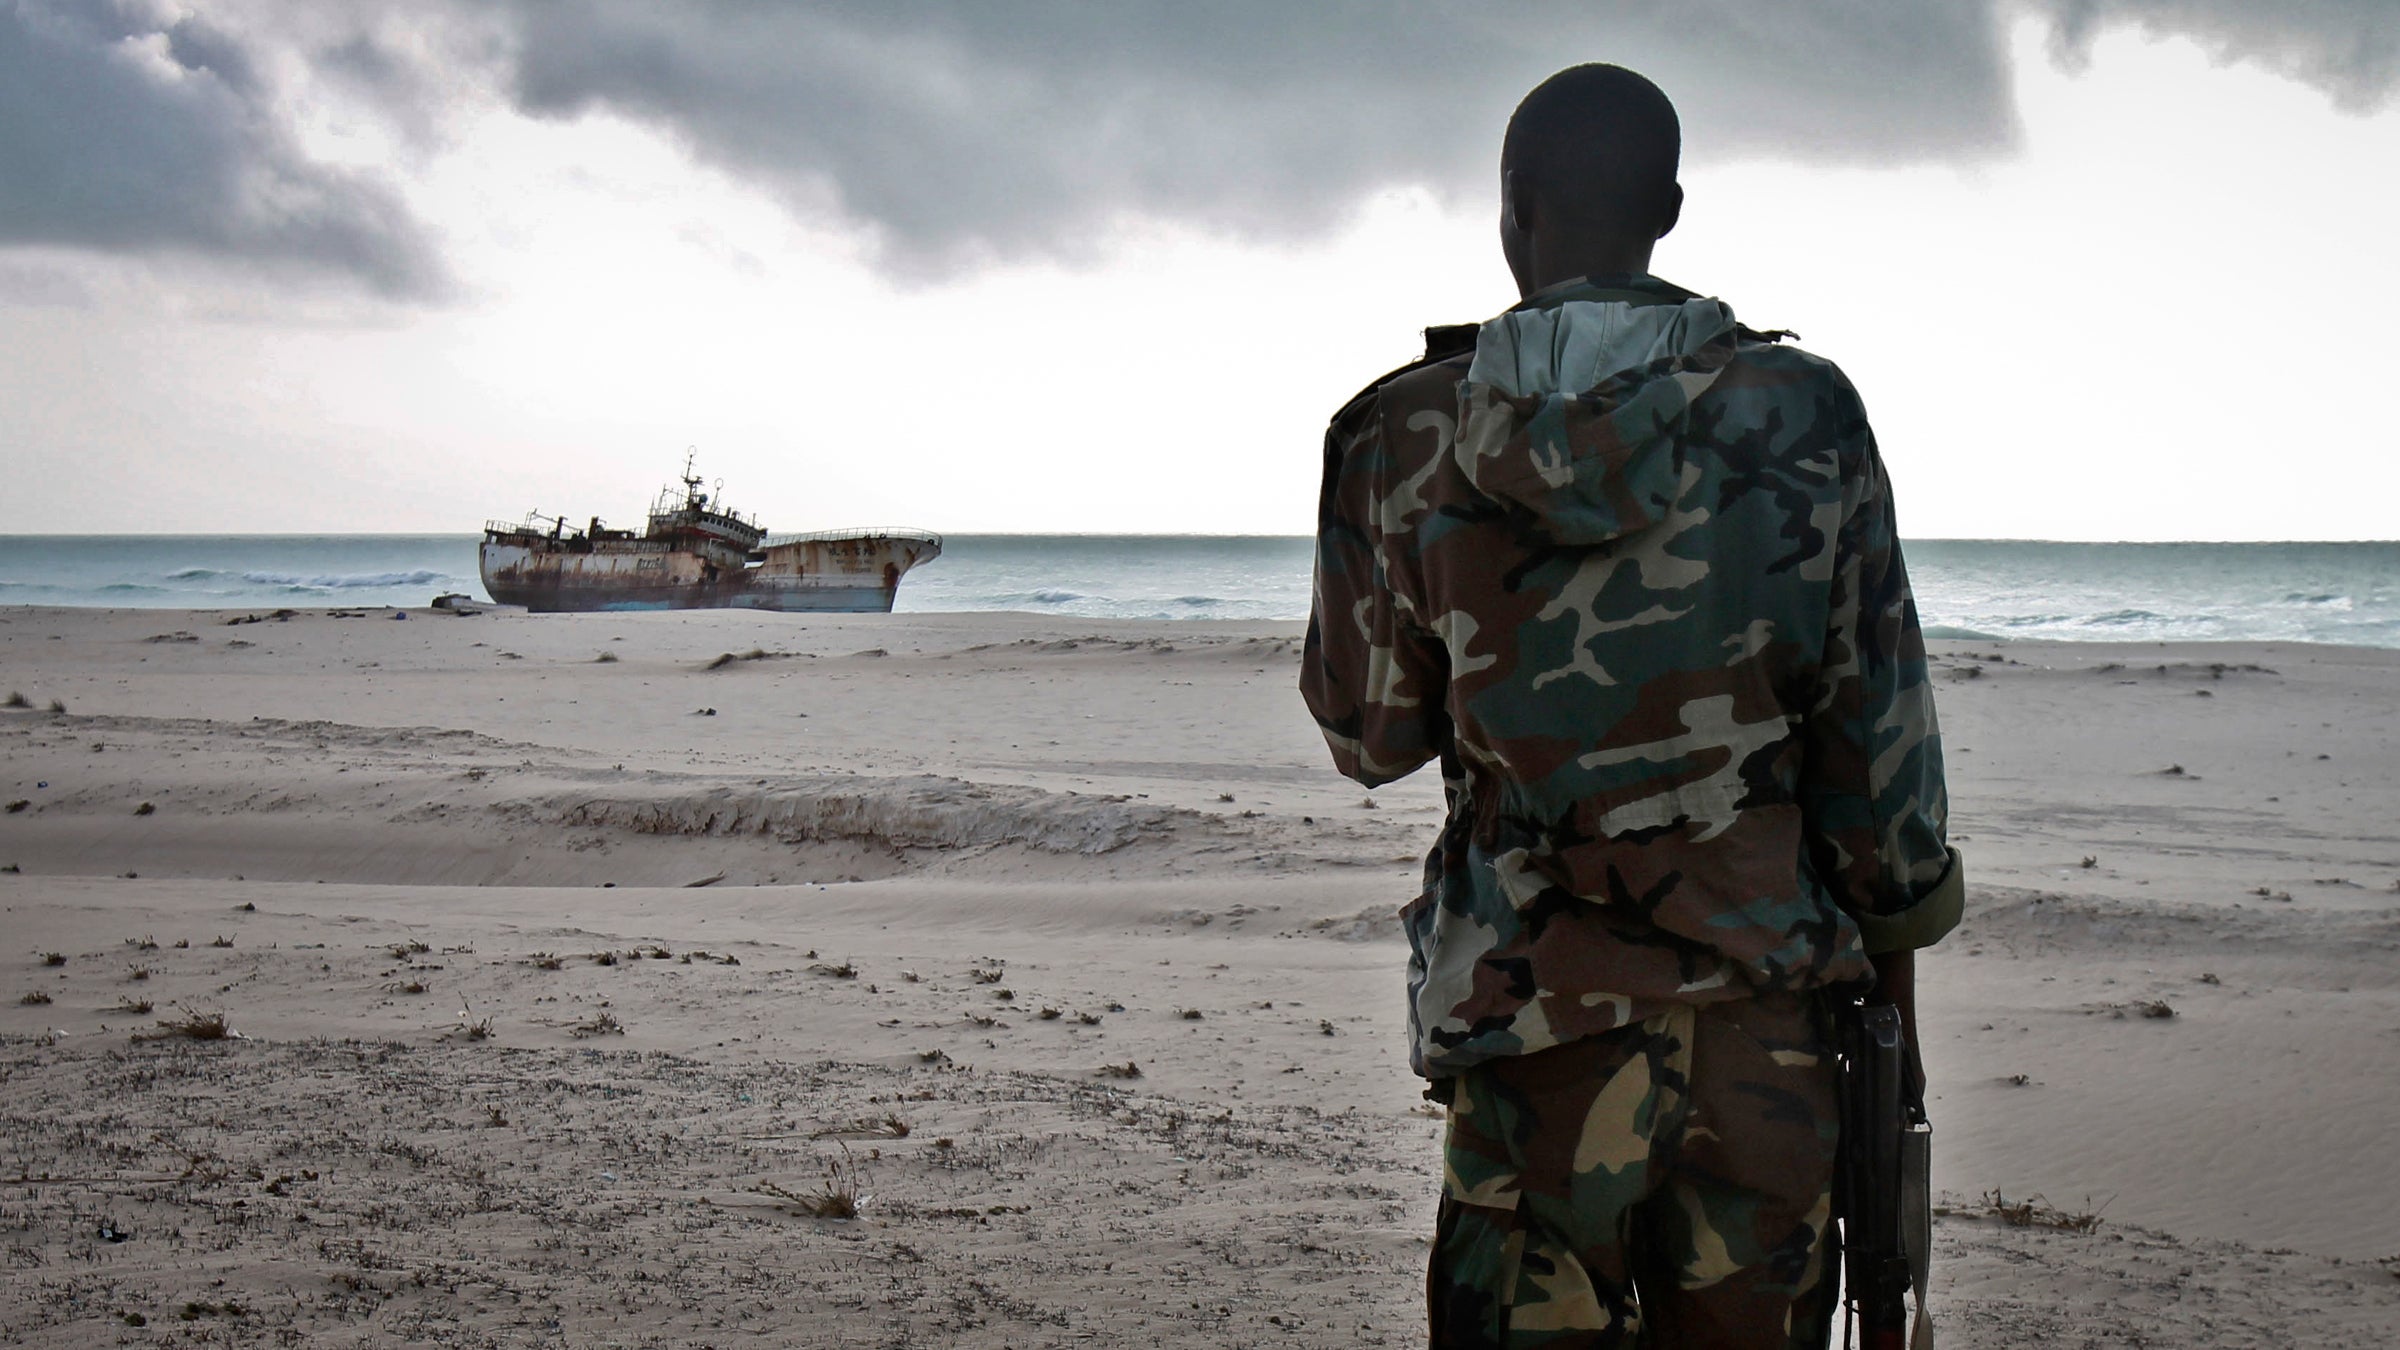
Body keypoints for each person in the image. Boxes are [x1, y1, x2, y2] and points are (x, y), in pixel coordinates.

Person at [1300, 63, 1963, 1348]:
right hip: (1767, 1030)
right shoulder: (1805, 414)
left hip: (1529, 1025)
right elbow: (1884, 777)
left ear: (1513, 208)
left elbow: (1365, 736)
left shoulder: (1399, 434)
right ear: (1666, 209)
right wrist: (1898, 1038)